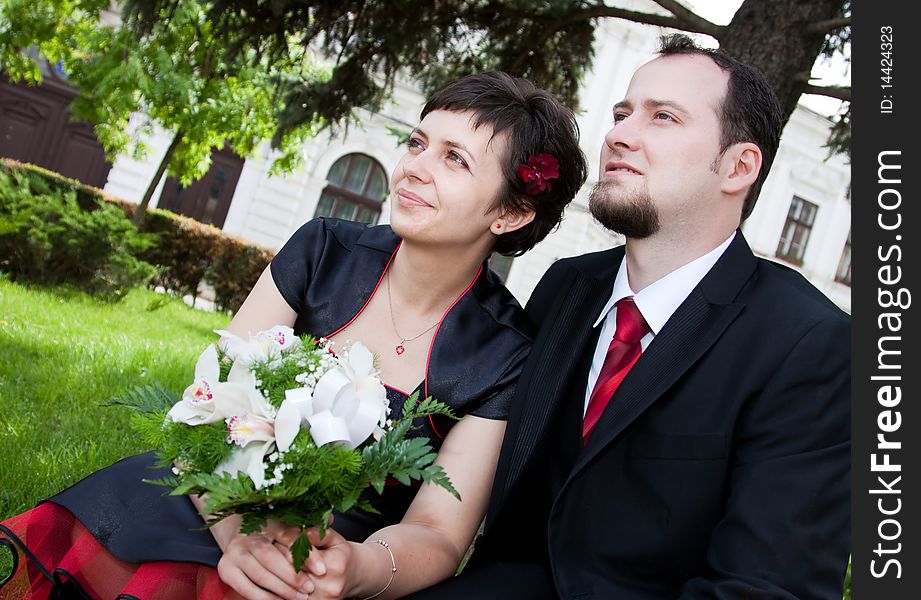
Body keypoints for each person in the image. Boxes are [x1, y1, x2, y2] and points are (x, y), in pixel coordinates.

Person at [0, 71, 587, 600]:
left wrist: (355, 569)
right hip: (208, 503)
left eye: (455, 159)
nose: (414, 166)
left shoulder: (505, 355)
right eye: (417, 142)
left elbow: (437, 533)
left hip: (330, 563)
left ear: (509, 213)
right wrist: (238, 536)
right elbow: (204, 415)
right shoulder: (323, 251)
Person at [406, 34, 851, 600]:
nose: (619, 134)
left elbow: (763, 589)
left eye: (662, 117)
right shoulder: (567, 286)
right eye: (621, 113)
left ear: (738, 167)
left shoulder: (809, 345)